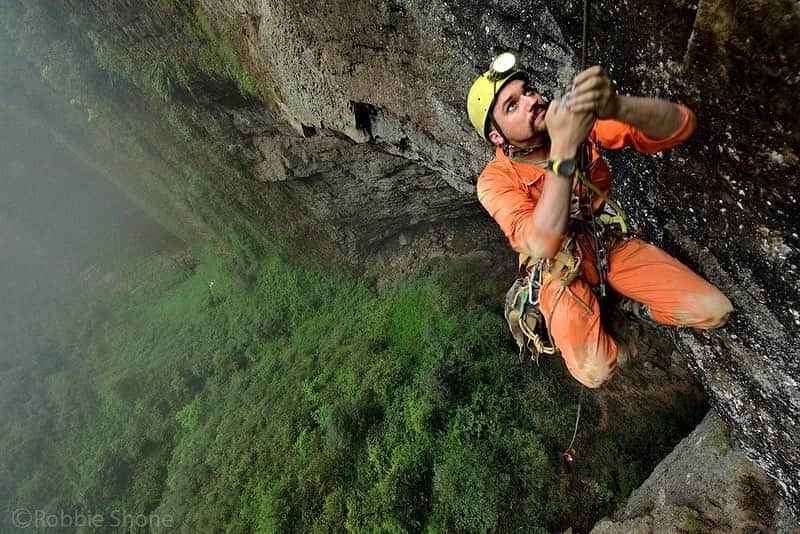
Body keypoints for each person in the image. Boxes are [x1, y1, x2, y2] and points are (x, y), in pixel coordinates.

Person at [466, 53, 733, 388]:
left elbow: (681, 126)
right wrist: (564, 147)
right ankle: (600, 315)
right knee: (595, 371)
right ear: (497, 138)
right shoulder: (495, 180)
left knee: (713, 309)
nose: (531, 101)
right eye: (512, 106)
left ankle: (634, 309)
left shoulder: (572, 121)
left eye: (529, 91)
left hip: (605, 242)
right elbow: (540, 241)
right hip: (558, 269)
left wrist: (618, 106)